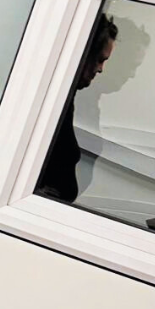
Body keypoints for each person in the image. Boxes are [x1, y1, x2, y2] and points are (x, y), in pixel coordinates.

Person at [37, 12, 118, 205]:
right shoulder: (49, 101)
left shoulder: (67, 98)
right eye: (99, 59)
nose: (100, 69)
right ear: (82, 54)